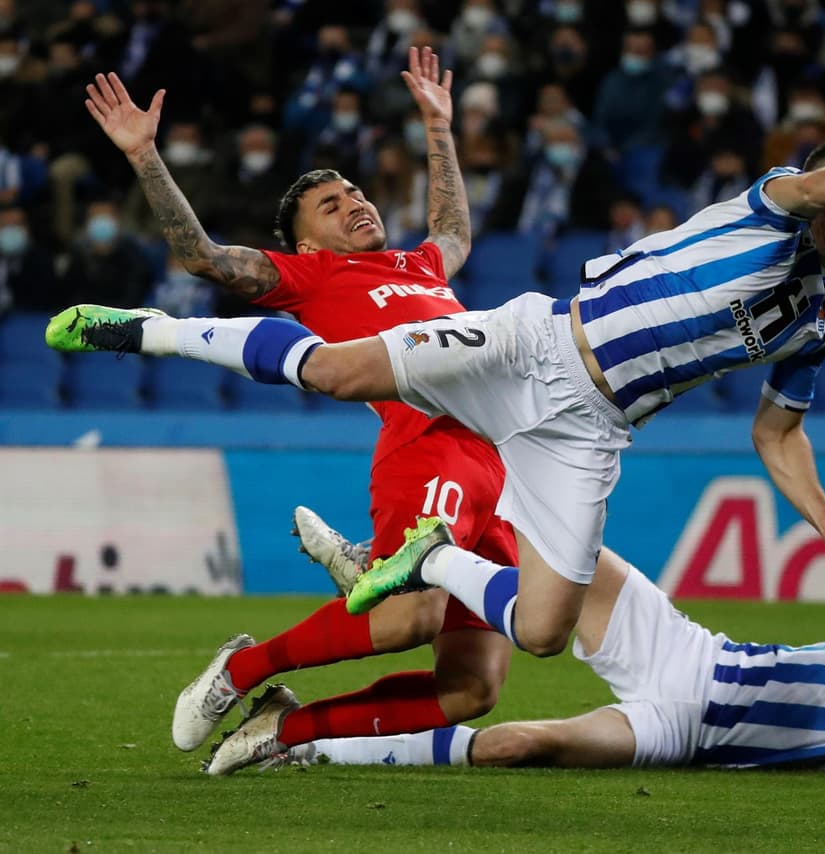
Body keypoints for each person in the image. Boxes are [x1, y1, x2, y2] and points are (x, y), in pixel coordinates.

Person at [47, 134, 825, 668]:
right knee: (334, 369)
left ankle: (430, 559)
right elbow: (821, 181)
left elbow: (779, 432)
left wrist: (823, 520)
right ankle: (147, 329)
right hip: (533, 344)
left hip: (591, 431)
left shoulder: (821, 314)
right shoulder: (770, 202)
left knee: (538, 632)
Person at [68, 50, 520, 757]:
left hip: (499, 462)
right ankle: (240, 670)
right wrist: (145, 156)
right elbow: (204, 258)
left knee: (472, 688)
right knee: (409, 620)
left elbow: (454, 229)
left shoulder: (418, 266)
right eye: (331, 205)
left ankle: (285, 728)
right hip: (429, 446)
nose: (355, 204)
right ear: (307, 238)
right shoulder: (311, 274)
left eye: (356, 193)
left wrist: (439, 126)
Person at [206, 536, 825, 777]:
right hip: (694, 652)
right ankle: (415, 556)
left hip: (683, 727)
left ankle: (306, 735)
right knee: (549, 554)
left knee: (521, 743)